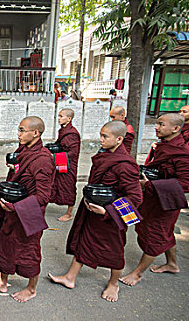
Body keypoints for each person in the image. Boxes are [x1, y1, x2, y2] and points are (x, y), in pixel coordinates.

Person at [48, 121, 143, 302]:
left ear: (119, 139)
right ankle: (70, 277)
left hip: (111, 216)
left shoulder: (126, 164)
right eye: (101, 135)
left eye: (105, 136)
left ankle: (113, 283)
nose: (100, 140)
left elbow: (136, 198)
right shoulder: (105, 156)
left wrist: (108, 210)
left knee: (114, 250)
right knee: (84, 241)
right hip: (93, 209)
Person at [120, 113, 189, 286]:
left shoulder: (184, 154)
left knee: (156, 234)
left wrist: (152, 184)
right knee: (165, 232)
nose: (157, 127)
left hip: (167, 202)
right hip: (153, 198)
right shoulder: (164, 146)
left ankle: (137, 273)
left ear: (176, 129)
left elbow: (186, 184)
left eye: (161, 124)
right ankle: (172, 264)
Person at [0, 116, 55, 303]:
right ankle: (2, 281)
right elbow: (23, 172)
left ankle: (31, 288)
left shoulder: (42, 159)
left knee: (29, 250)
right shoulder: (25, 150)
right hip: (14, 208)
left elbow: (43, 196)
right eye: (18, 130)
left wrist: (14, 206)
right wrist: (15, 169)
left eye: (22, 130)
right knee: (5, 243)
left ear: (35, 133)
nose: (18, 134)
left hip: (29, 212)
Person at [50, 109, 81, 222]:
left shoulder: (72, 133)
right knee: (55, 183)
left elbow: (73, 152)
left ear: (69, 119)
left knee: (68, 186)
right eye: (58, 116)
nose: (59, 118)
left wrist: (55, 157)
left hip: (68, 164)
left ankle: (69, 213)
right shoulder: (63, 130)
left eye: (61, 116)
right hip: (61, 160)